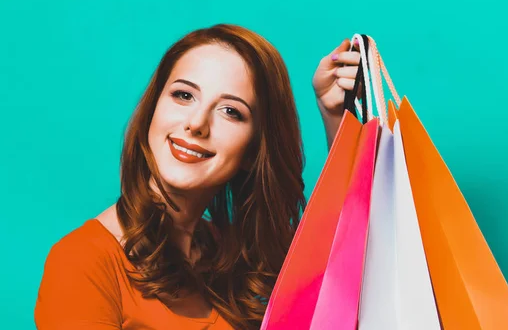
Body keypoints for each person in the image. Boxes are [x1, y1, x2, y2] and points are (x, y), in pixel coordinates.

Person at [34, 24, 362, 330]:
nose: (196, 123)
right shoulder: (81, 264)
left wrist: (335, 116)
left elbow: (343, 271)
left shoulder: (226, 255)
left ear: (252, 152)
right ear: (153, 110)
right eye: (183, 95)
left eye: (231, 111)